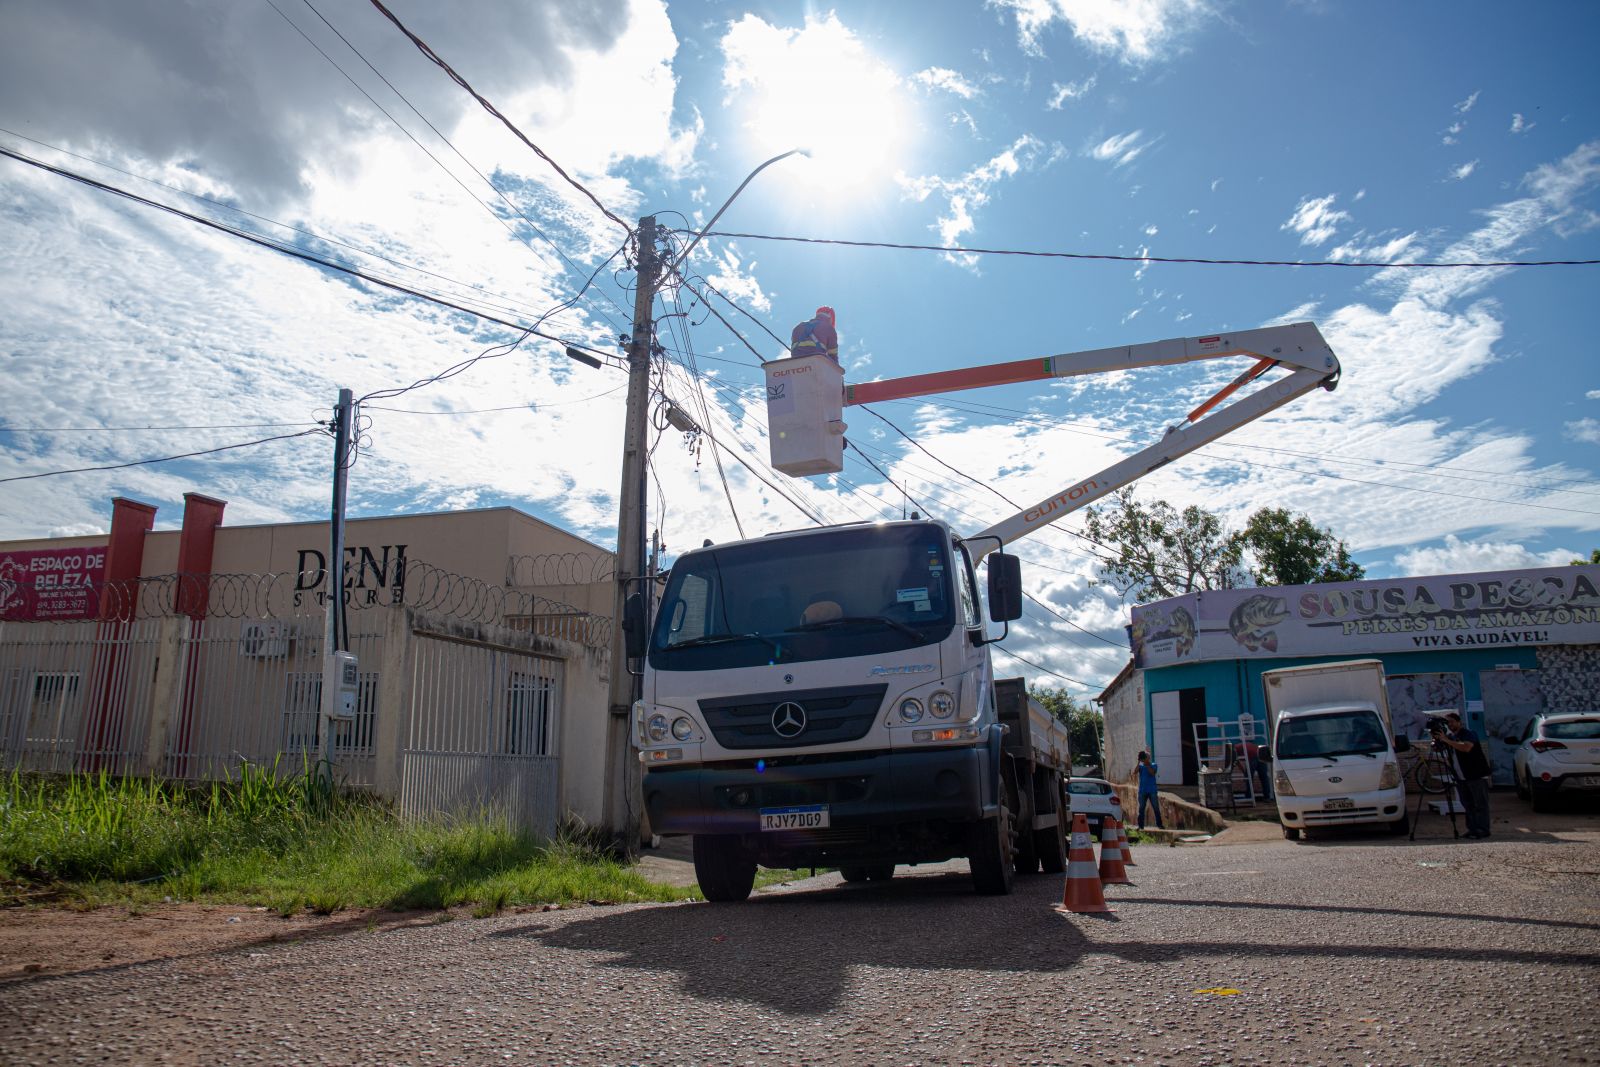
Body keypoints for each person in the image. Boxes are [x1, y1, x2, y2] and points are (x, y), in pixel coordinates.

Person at [1434, 711, 1492, 839]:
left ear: (1459, 722)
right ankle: (1472, 829)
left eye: (1452, 722)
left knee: (1480, 804)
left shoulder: (1468, 734)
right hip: (1461, 777)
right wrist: (1439, 740)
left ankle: (1483, 829)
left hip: (1475, 775)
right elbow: (1440, 750)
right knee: (1468, 804)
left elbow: (1466, 748)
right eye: (1447, 722)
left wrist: (1446, 740)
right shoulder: (1451, 737)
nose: (1450, 725)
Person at [1135, 750, 1163, 830]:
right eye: (1144, 757)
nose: (1144, 759)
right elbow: (1135, 772)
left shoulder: (1154, 765)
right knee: (1141, 808)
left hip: (1152, 790)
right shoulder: (1141, 766)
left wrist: (1147, 764)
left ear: (1148, 758)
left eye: (1146, 757)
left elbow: (1152, 773)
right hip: (1142, 790)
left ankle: (1159, 824)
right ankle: (1140, 826)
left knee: (1156, 807)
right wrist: (1138, 762)